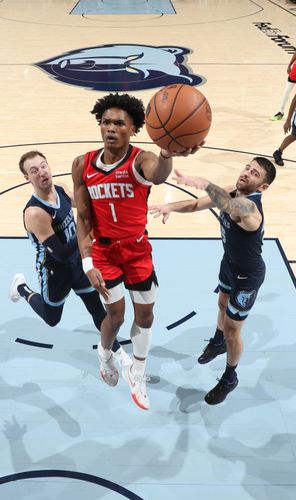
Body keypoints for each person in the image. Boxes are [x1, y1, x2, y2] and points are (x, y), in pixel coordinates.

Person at [72, 93, 200, 410]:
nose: (111, 128)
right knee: (115, 318)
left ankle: (138, 371)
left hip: (137, 250)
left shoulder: (140, 159)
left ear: (133, 128)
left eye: (119, 123)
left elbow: (158, 173)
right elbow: (83, 217)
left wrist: (167, 153)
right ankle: (104, 356)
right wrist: (87, 261)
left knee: (146, 316)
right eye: (106, 122)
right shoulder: (82, 164)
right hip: (103, 252)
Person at [148, 157, 277, 404]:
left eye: (255, 174)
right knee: (221, 304)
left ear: (263, 187)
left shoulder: (250, 209)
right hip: (229, 263)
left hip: (247, 276)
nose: (247, 173)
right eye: (247, 168)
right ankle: (217, 343)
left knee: (233, 331)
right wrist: (170, 207)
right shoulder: (231, 190)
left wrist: (205, 182)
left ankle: (230, 378)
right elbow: (198, 204)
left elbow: (229, 206)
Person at [9, 151, 128, 380]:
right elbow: (62, 254)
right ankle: (22, 288)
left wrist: (111, 200)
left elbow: (85, 208)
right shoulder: (35, 213)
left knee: (97, 309)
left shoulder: (61, 189)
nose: (41, 172)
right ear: (27, 178)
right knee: (52, 319)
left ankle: (119, 354)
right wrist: (90, 234)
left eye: (43, 166)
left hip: (77, 262)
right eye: (34, 171)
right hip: (54, 270)